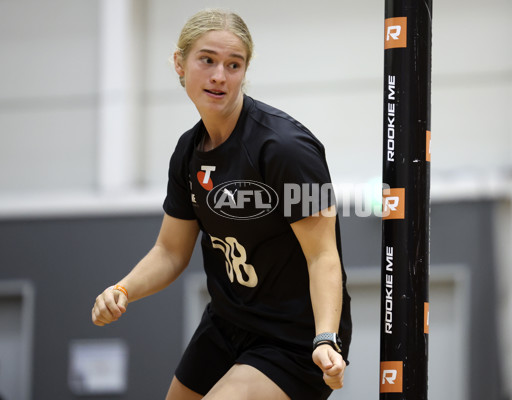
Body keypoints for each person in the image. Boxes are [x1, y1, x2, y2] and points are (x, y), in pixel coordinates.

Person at [91, 8, 352, 400]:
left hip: (296, 338)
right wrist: (123, 290)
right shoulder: (187, 152)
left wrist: (326, 338)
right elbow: (169, 251)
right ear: (179, 64)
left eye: (234, 64)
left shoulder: (287, 148)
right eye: (207, 60)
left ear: (245, 71)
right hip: (227, 323)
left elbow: (324, 257)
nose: (219, 76)